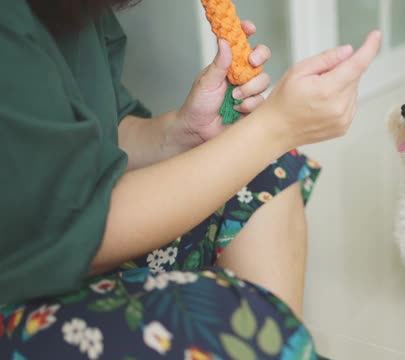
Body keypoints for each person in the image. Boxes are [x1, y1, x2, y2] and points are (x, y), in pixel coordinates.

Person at [0, 0, 381, 359]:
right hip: (27, 278)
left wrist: (180, 132)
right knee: (237, 323)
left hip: (73, 231)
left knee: (263, 171)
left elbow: (109, 129)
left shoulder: (73, 12)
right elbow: (76, 224)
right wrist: (274, 128)